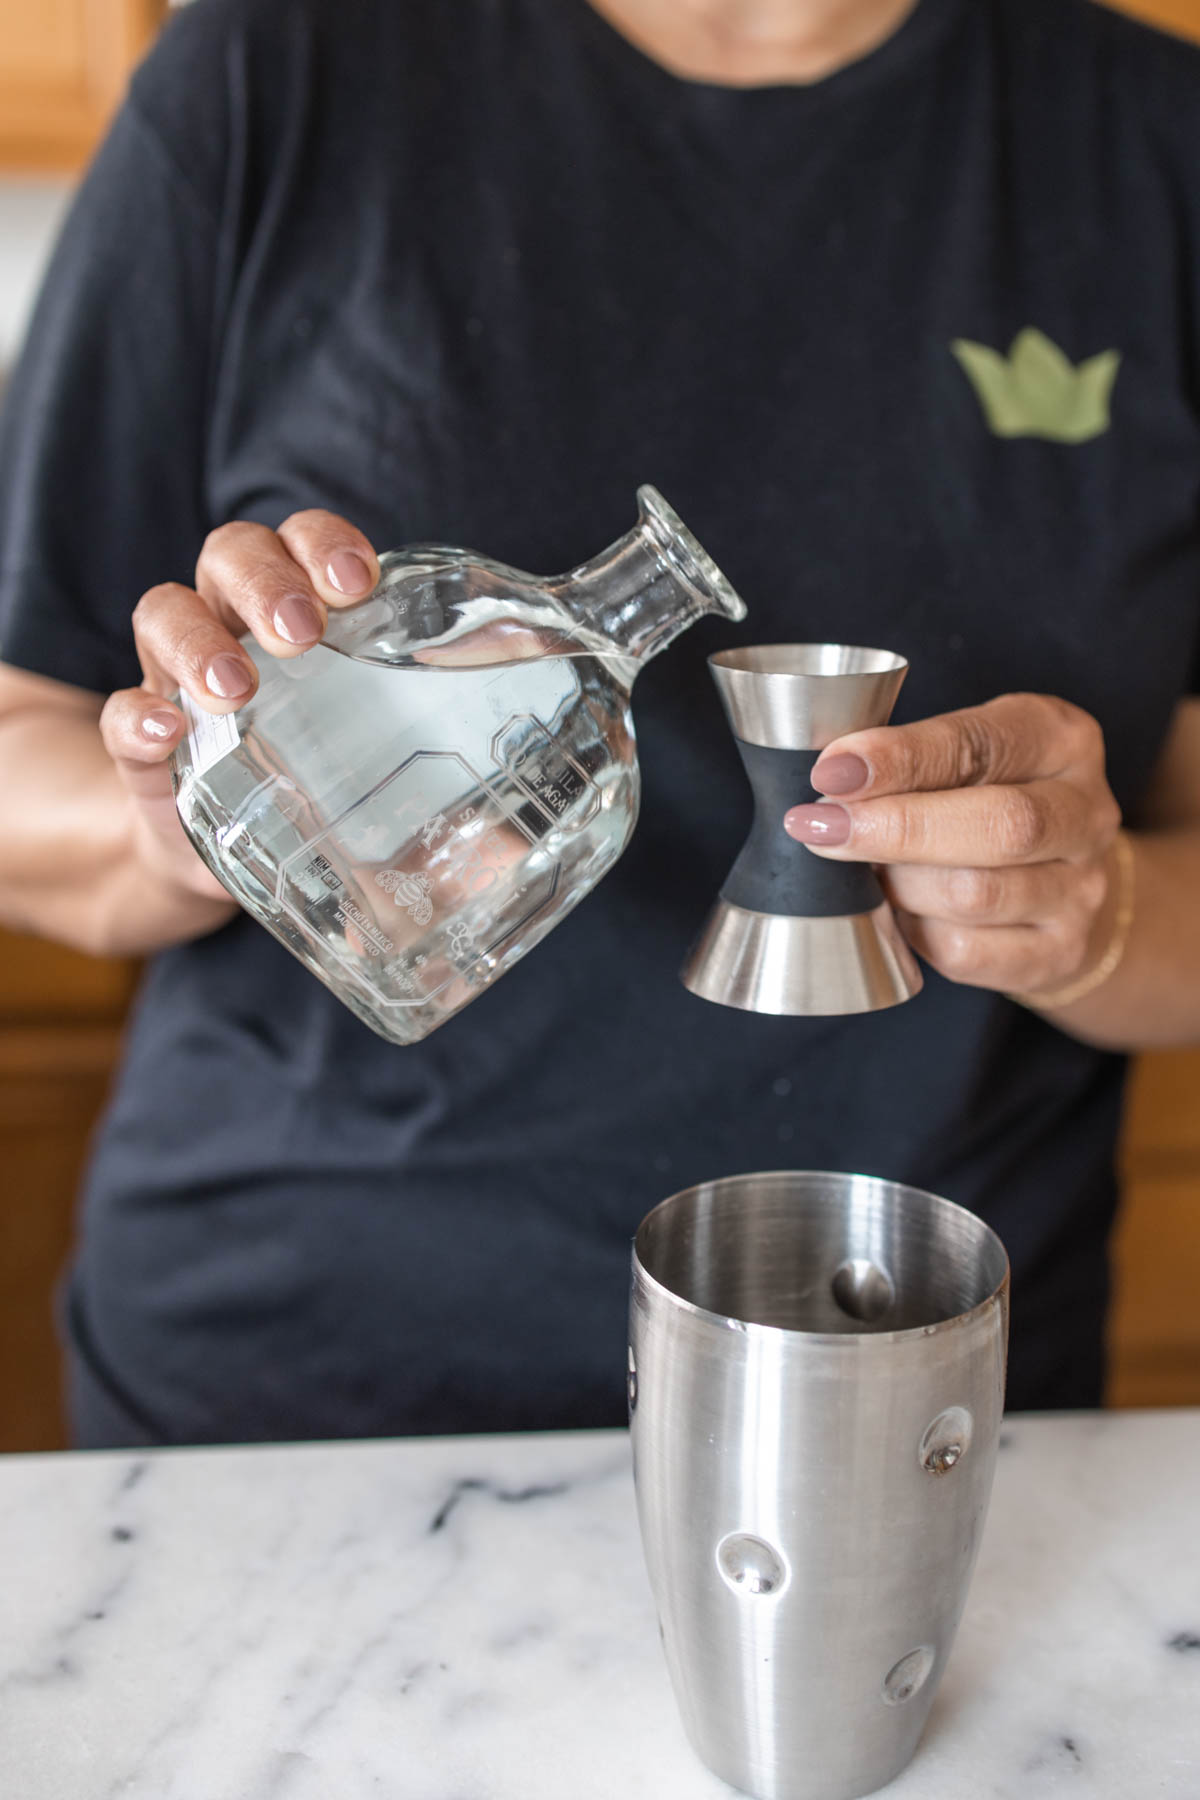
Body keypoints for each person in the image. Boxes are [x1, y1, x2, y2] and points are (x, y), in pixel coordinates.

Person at [0, 0, 1198, 1447]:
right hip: (298, 1388)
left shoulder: (1155, 143)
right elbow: (23, 732)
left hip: (901, 1386)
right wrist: (175, 834)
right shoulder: (273, 72)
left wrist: (1107, 912)